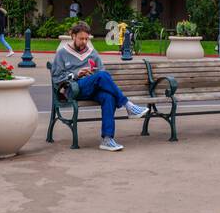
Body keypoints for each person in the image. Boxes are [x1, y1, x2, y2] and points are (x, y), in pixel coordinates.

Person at [50, 22, 149, 151]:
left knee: (108, 97)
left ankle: (107, 139)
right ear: (73, 36)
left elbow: (101, 72)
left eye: (86, 39)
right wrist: (76, 74)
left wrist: (92, 74)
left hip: (92, 88)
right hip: (73, 89)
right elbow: (56, 77)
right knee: (101, 76)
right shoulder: (62, 53)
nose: (84, 41)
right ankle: (128, 105)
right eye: (81, 38)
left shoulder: (92, 53)